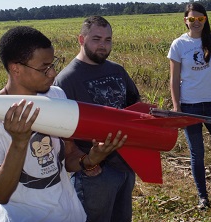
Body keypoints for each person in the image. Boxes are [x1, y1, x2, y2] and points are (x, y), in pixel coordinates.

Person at [0, 26, 128, 222]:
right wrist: (19, 142)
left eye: (53, 65)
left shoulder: (56, 96)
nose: (52, 74)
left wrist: (91, 159)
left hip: (71, 214)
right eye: (44, 68)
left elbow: (68, 155)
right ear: (16, 69)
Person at [54, 16, 141, 222]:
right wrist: (88, 164)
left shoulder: (117, 70)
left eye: (108, 40)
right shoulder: (66, 80)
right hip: (96, 173)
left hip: (126, 165)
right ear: (81, 40)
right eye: (96, 39)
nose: (103, 45)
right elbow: (61, 132)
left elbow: (134, 106)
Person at [167, 2, 211, 210]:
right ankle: (203, 197)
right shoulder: (178, 45)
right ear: (185, 21)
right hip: (189, 107)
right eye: (192, 19)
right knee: (197, 154)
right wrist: (177, 107)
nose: (196, 22)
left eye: (200, 19)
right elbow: (174, 79)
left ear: (205, 19)